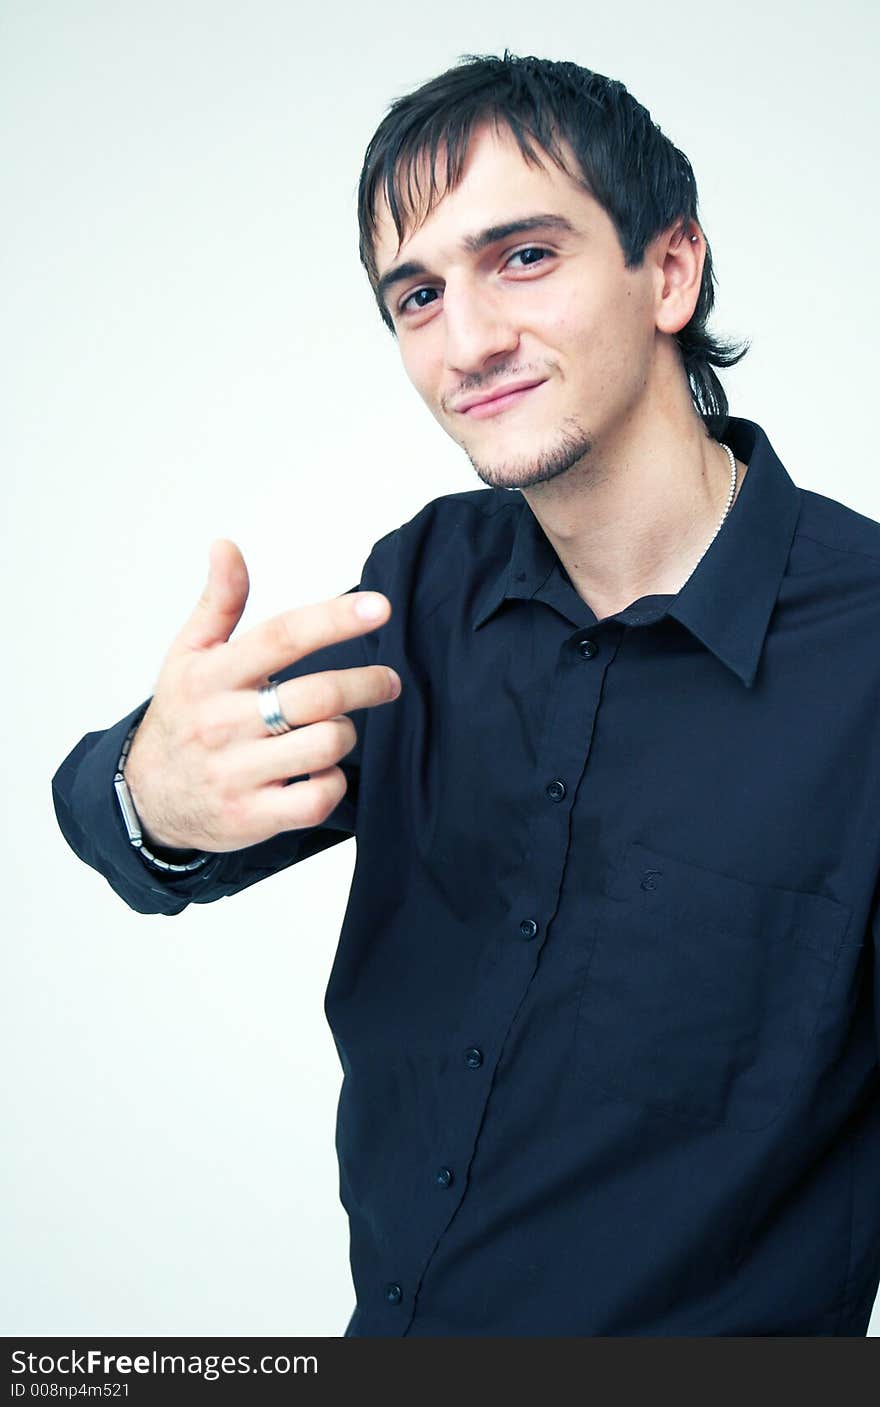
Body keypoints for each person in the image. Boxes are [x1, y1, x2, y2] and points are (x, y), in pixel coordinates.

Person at [52, 52, 880, 1337]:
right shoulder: (425, 581)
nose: (468, 341)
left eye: (524, 257)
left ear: (669, 270)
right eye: (418, 295)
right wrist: (150, 792)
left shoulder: (866, 654)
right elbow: (131, 823)